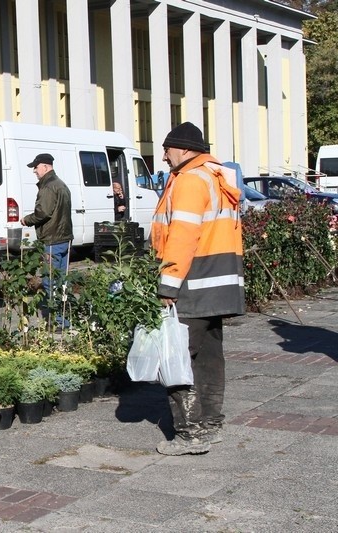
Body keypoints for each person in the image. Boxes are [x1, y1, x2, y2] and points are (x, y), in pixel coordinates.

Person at [152, 122, 244, 456]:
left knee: (176, 357)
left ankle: (189, 435)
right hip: (217, 283)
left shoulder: (190, 181)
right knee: (209, 357)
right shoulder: (215, 176)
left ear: (184, 149)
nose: (163, 156)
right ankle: (211, 425)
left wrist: (168, 284)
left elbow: (183, 236)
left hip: (191, 282)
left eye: (167, 149)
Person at [19, 153, 73, 328]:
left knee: (51, 282)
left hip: (52, 239)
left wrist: (27, 219)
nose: (34, 170)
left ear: (45, 166)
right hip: (63, 238)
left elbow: (43, 212)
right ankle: (64, 318)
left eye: (36, 167)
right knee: (61, 281)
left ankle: (58, 322)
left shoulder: (49, 187)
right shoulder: (61, 184)